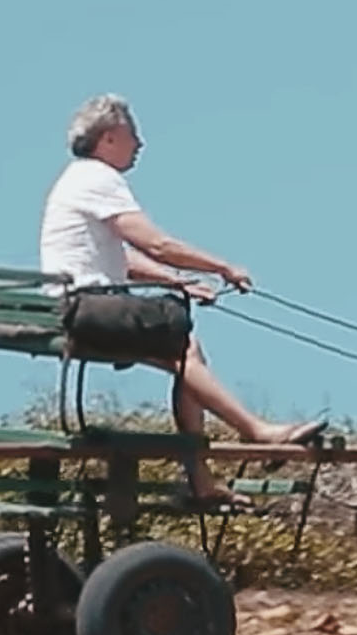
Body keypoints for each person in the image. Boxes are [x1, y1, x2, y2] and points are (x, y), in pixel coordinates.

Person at [38, 93, 326, 504]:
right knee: (180, 335)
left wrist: (176, 281)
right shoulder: (97, 178)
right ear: (108, 139)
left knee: (185, 348)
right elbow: (156, 242)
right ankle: (255, 432)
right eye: (132, 135)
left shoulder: (80, 179)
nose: (140, 144)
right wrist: (221, 267)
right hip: (87, 306)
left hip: (84, 305)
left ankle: (203, 478)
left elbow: (122, 257)